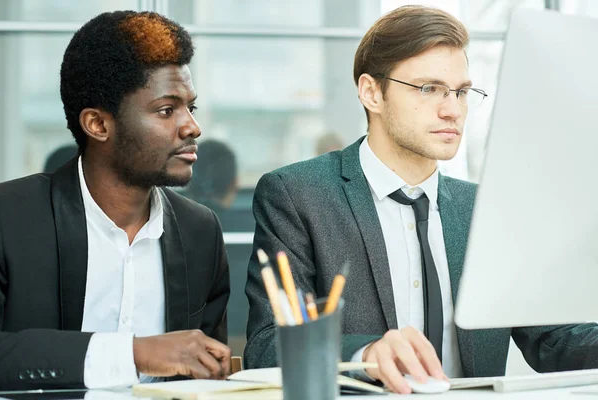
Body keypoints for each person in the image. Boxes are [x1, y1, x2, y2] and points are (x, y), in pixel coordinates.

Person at [244, 5, 598, 394]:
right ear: (371, 92)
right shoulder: (298, 195)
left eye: (462, 92)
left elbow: (553, 337)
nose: (452, 110)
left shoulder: (484, 210)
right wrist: (366, 354)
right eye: (429, 89)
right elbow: (266, 346)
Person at [0, 11, 231, 390]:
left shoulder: (199, 231)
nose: (192, 126)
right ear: (98, 124)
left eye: (191, 108)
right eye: (166, 110)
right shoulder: (8, 218)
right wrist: (135, 353)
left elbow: (204, 371)